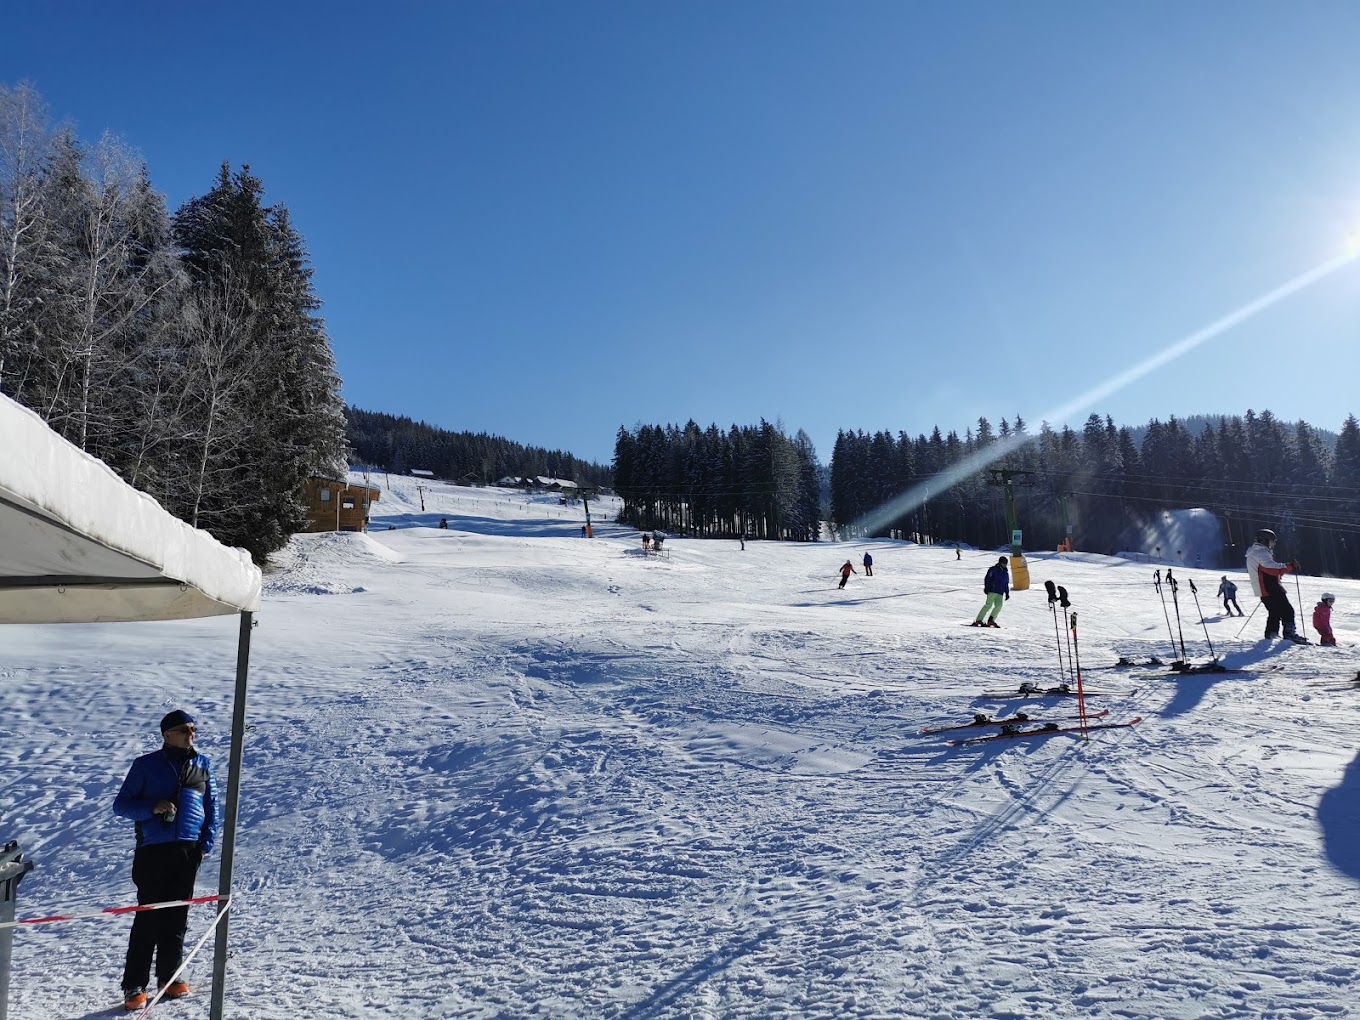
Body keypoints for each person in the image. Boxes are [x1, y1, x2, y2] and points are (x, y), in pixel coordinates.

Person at [114, 710, 218, 1011]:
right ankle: (134, 984)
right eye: (184, 729)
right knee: (148, 916)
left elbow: (211, 807)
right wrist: (152, 807)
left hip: (187, 851)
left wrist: (204, 845)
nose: (191, 734)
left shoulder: (202, 764)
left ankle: (170, 977)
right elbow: (121, 805)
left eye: (193, 729)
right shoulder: (145, 765)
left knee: (177, 917)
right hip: (153, 850)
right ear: (167, 734)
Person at [1244, 528, 1305, 643]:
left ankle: (1271, 635)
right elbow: (1270, 568)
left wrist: (1278, 574)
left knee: (1275, 612)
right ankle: (1289, 634)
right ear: (1265, 540)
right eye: (1272, 541)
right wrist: (1290, 566)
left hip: (1266, 588)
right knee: (1287, 611)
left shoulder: (1256, 552)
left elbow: (1266, 570)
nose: (1274, 544)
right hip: (1270, 588)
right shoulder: (1260, 553)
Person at [972, 555, 1010, 627]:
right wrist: (987, 587)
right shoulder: (993, 569)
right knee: (988, 605)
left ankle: (991, 620)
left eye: (1006, 563)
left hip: (1000, 592)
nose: (1005, 565)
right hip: (992, 590)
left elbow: (1006, 583)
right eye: (1003, 563)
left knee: (999, 605)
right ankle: (979, 619)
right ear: (1000, 563)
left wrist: (1007, 592)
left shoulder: (1005, 572)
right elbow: (987, 578)